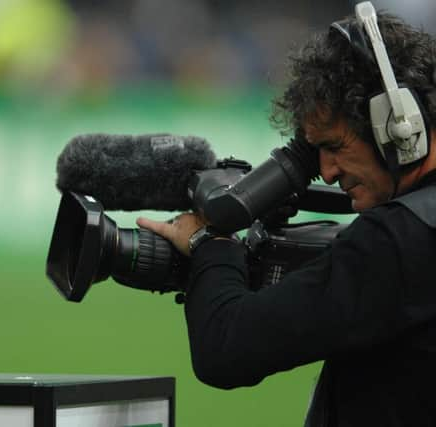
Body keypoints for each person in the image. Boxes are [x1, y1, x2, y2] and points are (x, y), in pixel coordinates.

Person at [137, 4, 436, 427]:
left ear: (398, 126)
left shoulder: (399, 239)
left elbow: (226, 348)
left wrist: (211, 244)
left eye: (334, 147)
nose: (329, 173)